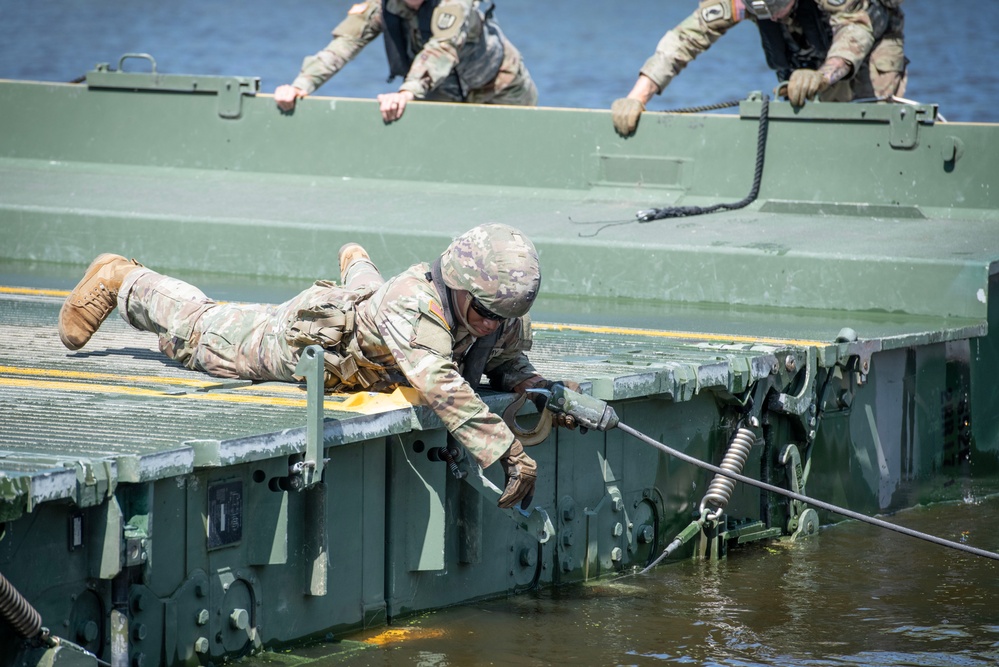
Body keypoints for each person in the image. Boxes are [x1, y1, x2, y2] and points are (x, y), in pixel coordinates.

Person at [57, 224, 567, 510]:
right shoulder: (416, 305)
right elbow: (438, 378)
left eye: (502, 317)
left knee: (371, 298)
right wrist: (506, 448)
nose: (489, 326)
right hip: (311, 343)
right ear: (457, 284)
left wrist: (531, 383)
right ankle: (123, 280)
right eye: (483, 312)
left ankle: (358, 268)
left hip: (376, 336)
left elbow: (503, 354)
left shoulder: (491, 312)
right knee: (200, 333)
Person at [611, 0, 907, 136]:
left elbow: (855, 33)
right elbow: (687, 37)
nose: (772, 18)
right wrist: (638, 96)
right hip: (809, 48)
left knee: (868, 127)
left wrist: (823, 76)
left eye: (775, 8)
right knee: (813, 123)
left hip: (868, 47)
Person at [274, 0, 538, 123]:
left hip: (500, 86)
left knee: (520, 153)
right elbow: (344, 44)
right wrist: (302, 85)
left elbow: (441, 48)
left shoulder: (455, 3)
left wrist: (406, 92)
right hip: (441, 94)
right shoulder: (382, 6)